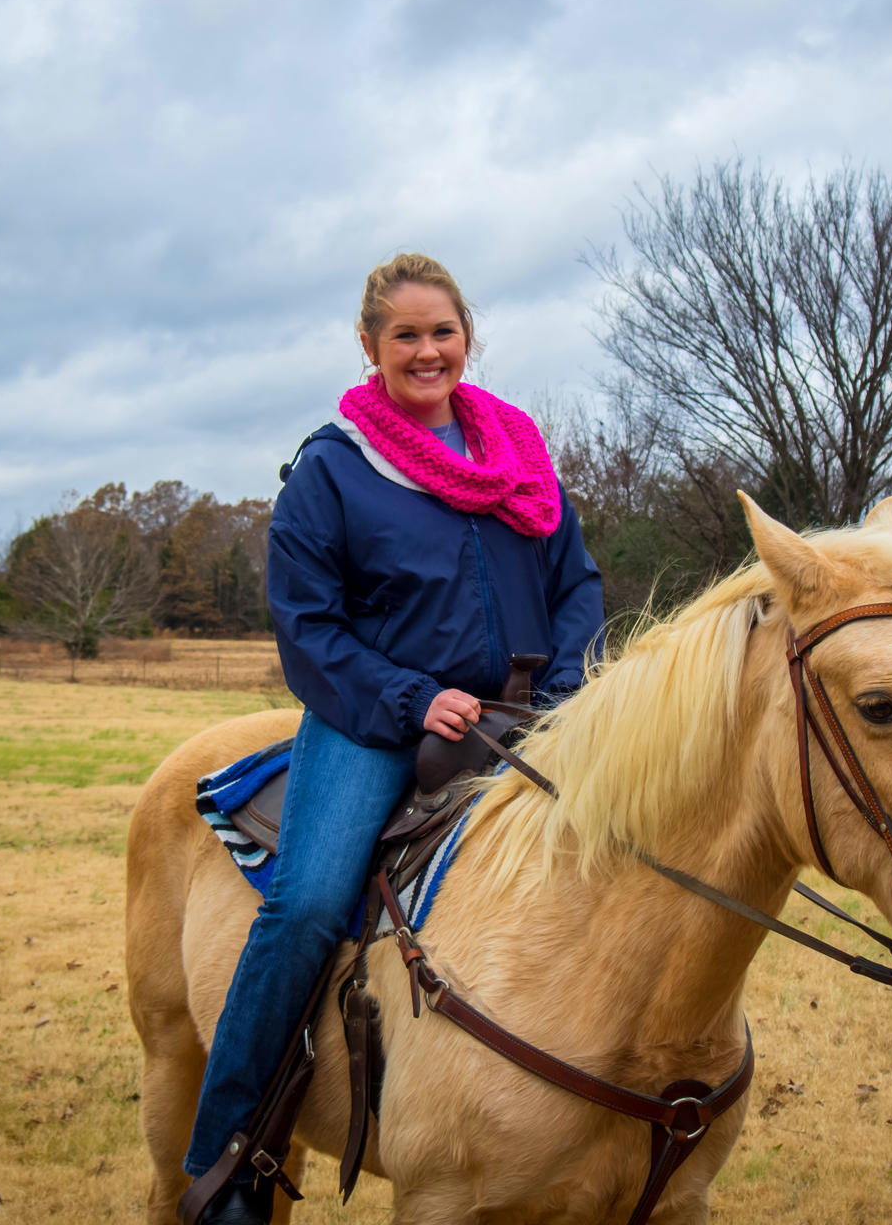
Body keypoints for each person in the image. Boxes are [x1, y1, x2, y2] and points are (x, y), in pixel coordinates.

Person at [185, 252, 604, 1223]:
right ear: (370, 345)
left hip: (531, 710)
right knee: (306, 904)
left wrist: (571, 685)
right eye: (406, 334)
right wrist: (415, 698)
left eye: (443, 330)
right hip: (377, 718)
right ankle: (227, 1164)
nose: (428, 349)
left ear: (468, 337)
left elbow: (575, 582)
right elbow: (309, 627)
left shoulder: (518, 456)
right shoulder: (332, 469)